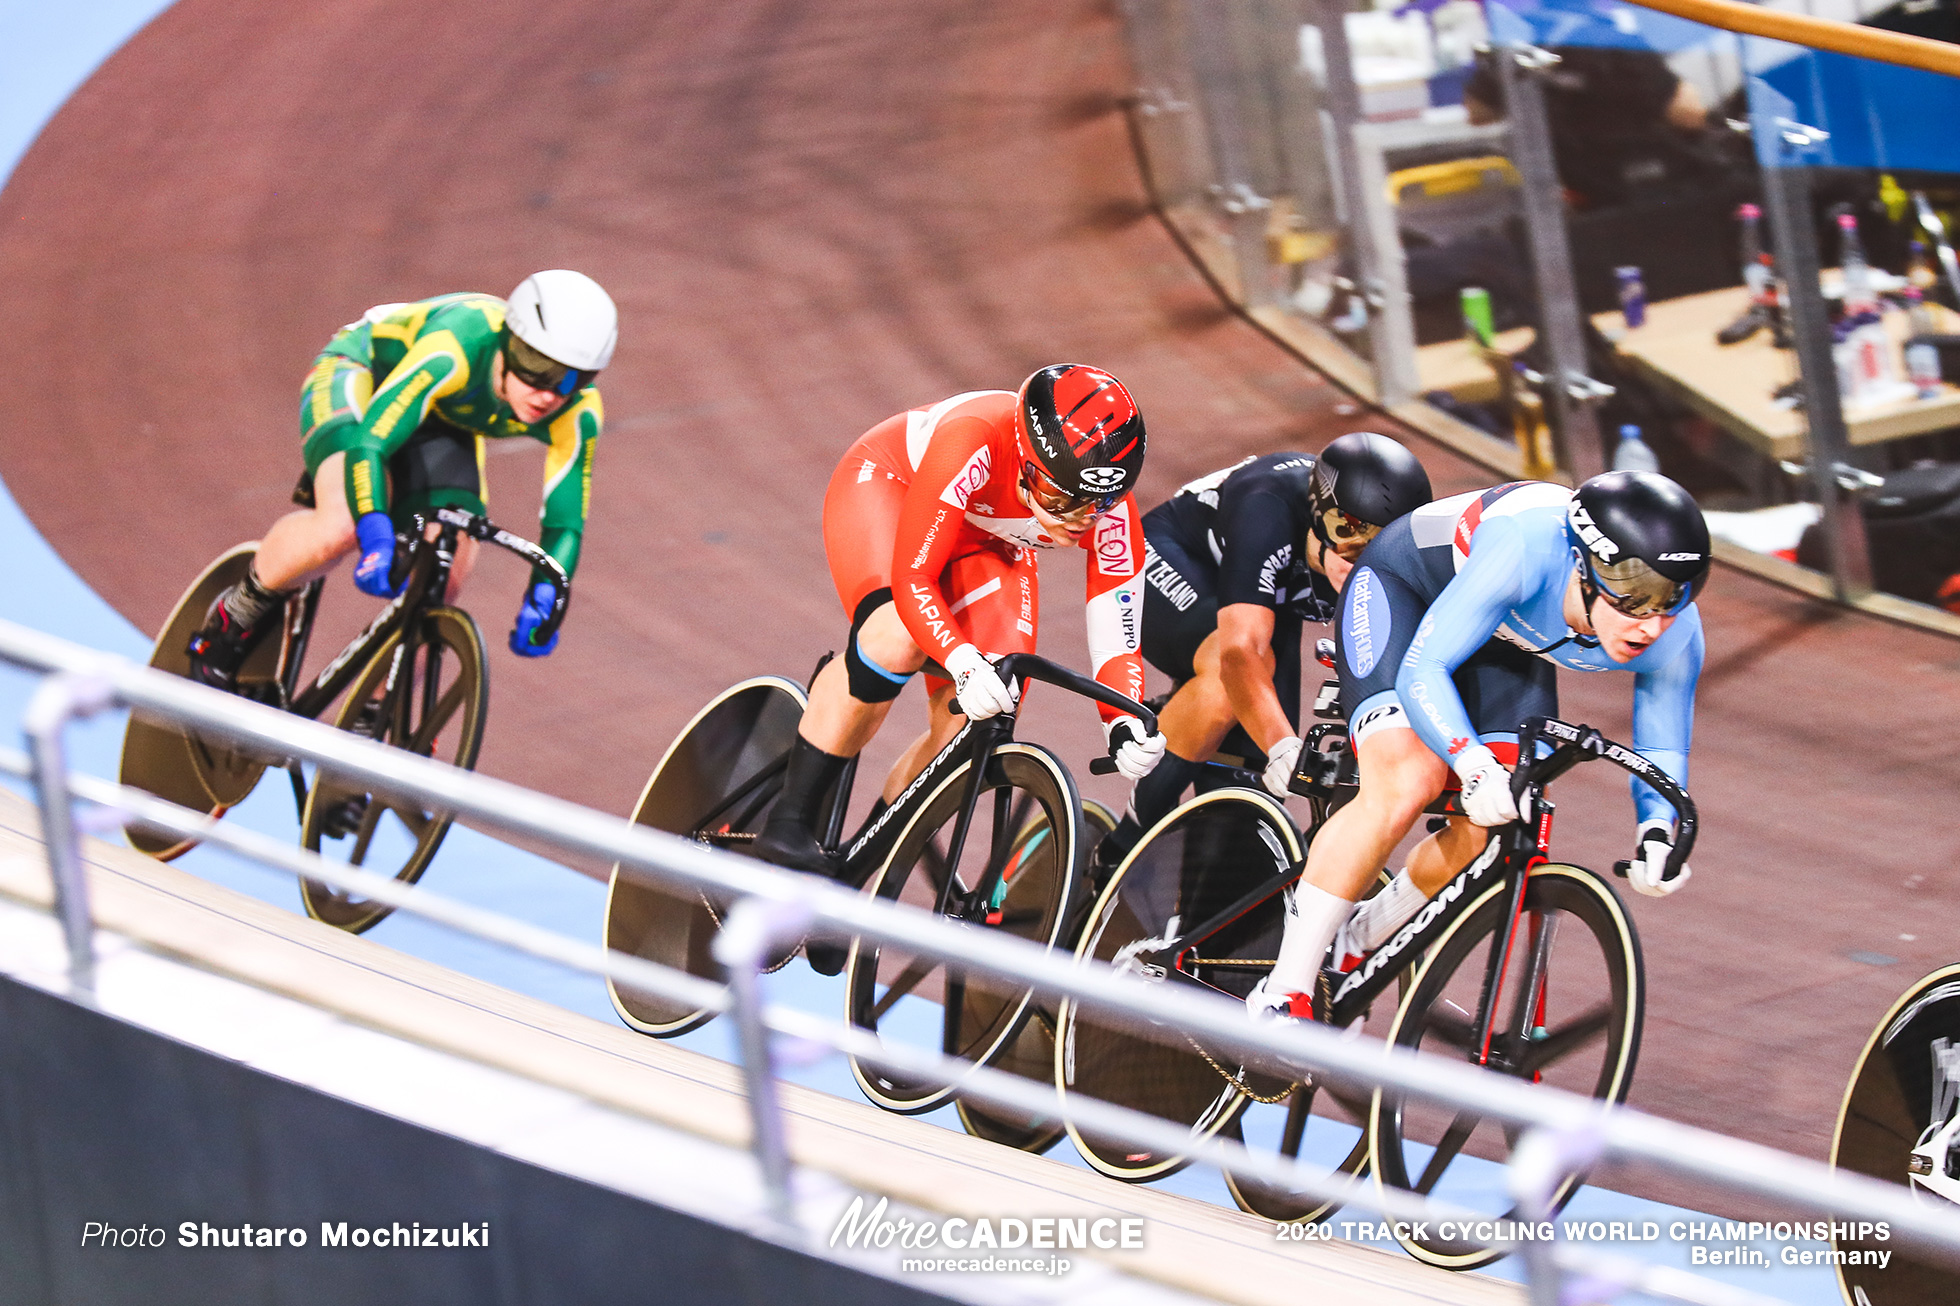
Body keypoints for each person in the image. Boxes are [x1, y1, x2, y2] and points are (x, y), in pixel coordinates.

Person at [1247, 472, 1709, 1022]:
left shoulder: (1676, 632)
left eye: (1670, 598)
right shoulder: (1522, 548)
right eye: (1633, 597)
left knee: (1499, 821)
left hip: (1506, 638)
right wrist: (1468, 762)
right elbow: (1424, 667)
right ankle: (1282, 991)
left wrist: (1656, 832)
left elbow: (1662, 745)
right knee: (1408, 780)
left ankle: (1357, 942)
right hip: (1406, 591)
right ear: (1583, 566)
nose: (1651, 624)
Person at [753, 365, 1168, 908]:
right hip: (893, 491)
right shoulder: (974, 437)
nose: (1082, 521)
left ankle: (860, 871)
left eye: (1099, 505)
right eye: (1064, 500)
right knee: (897, 634)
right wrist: (960, 660)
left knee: (982, 714)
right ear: (1025, 461)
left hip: (989, 541)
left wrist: (1124, 720)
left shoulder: (1104, 503)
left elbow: (1119, 636)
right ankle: (787, 825)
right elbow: (913, 580)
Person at [185, 270, 618, 687]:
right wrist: (374, 531)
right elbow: (369, 445)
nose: (550, 393)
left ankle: (374, 718)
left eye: (575, 378)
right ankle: (236, 612)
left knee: (443, 578)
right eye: (537, 365)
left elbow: (565, 523)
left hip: (444, 415)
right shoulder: (457, 344)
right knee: (341, 527)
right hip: (364, 374)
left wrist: (545, 595)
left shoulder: (576, 412)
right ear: (509, 339)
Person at [1098, 433, 1433, 870]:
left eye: (1380, 546)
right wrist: (1280, 744)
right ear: (1317, 513)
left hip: (1265, 600)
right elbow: (1240, 652)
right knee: (1228, 681)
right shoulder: (1267, 506)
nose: (1358, 561)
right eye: (1347, 536)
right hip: (1172, 556)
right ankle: (1124, 841)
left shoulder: (1387, 563)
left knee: (1251, 786)